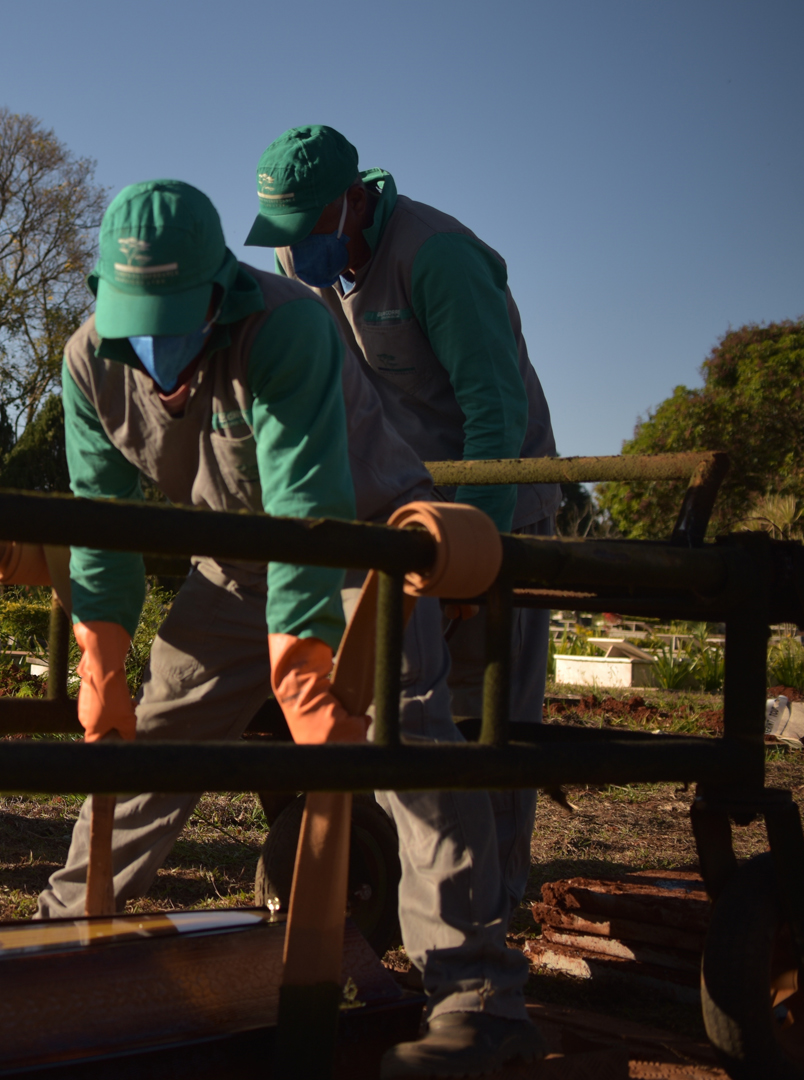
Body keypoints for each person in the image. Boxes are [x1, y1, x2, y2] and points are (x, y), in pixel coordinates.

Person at [34, 179, 544, 1076]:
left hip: (352, 547)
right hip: (228, 562)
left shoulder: (287, 323)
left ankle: (479, 999)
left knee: (404, 747)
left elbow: (307, 505)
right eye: (134, 318)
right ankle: (61, 936)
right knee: (150, 739)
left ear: (217, 289)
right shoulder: (89, 360)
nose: (155, 343)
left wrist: (305, 669)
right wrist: (100, 657)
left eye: (172, 317)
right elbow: (101, 522)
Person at [246, 124, 559, 919]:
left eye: (304, 231)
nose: (291, 252)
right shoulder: (305, 266)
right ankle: (401, 882)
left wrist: (474, 554)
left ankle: (496, 900)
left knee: (487, 714)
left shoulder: (437, 256)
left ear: (353, 202)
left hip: (494, 507)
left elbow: (494, 409)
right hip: (398, 509)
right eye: (279, 238)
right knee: (396, 699)